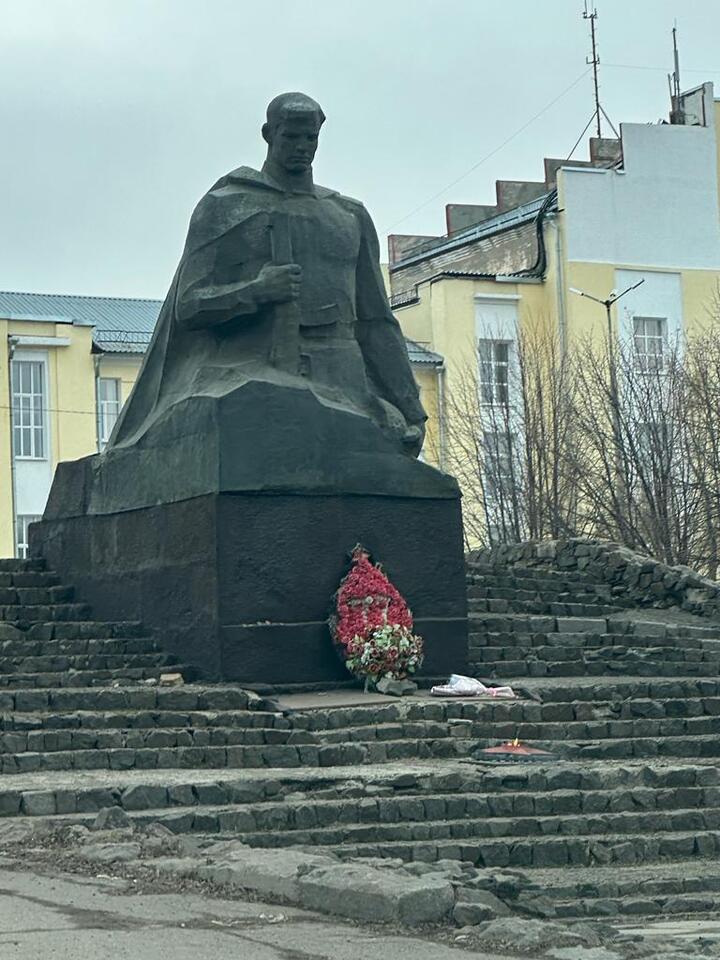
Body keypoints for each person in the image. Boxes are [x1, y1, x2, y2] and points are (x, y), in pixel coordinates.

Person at [109, 92, 426, 456]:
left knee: (387, 449)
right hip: (255, 368)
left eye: (310, 138)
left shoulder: (348, 215)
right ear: (268, 134)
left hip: (344, 376)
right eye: (291, 136)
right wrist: (256, 291)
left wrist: (410, 409)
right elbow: (190, 306)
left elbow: (376, 321)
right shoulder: (229, 205)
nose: (302, 147)